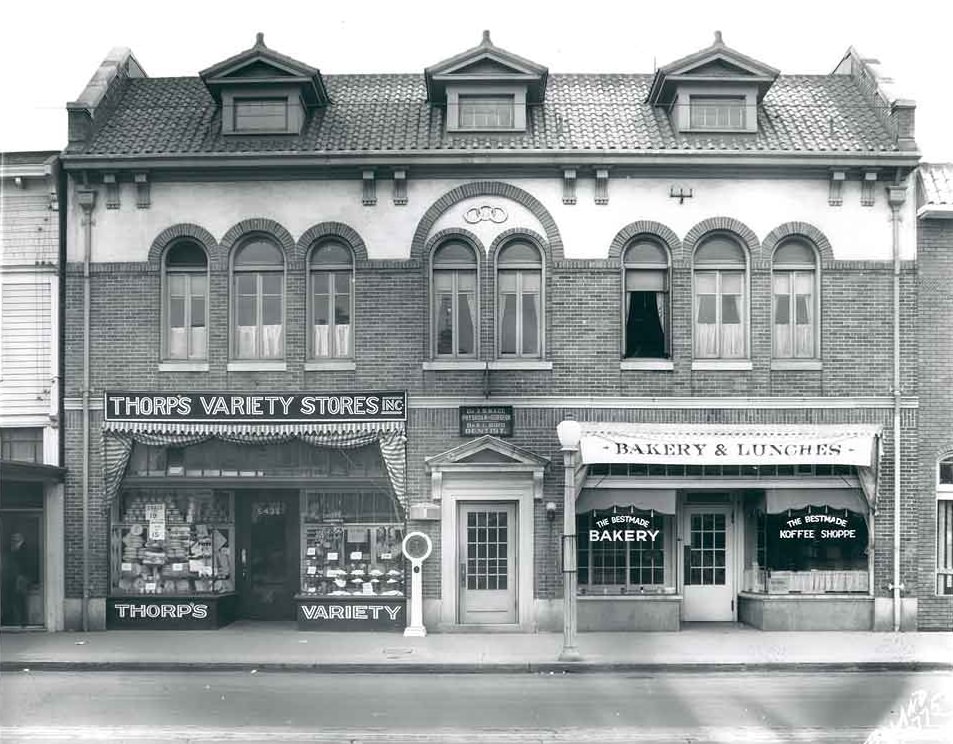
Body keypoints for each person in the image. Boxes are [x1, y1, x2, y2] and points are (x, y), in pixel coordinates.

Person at [1, 533, 31, 627]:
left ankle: (23, 621)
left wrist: (22, 576)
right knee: (11, 599)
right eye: (13, 538)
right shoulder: (12, 549)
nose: (13, 540)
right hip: (12, 577)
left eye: (15, 538)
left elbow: (25, 564)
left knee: (21, 599)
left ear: (20, 539)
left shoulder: (24, 549)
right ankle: (12, 620)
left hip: (21, 577)